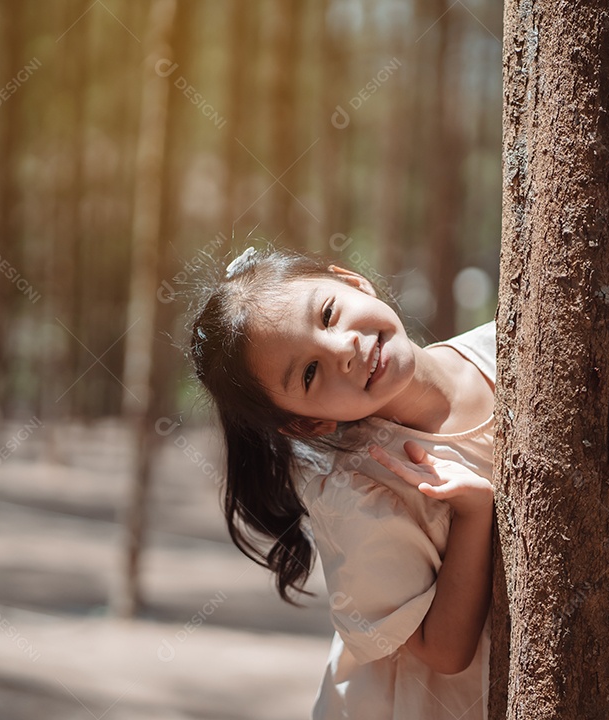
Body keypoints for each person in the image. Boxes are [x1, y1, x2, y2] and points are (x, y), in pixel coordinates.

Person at [189, 246, 497, 719]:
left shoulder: (503, 344)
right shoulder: (361, 495)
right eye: (310, 373)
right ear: (306, 425)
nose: (344, 350)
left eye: (328, 314)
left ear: (353, 282)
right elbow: (443, 651)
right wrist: (474, 517)